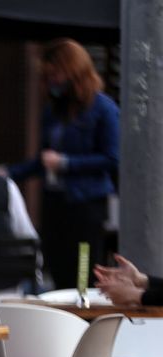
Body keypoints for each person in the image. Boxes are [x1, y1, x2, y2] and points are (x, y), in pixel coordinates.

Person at [9, 38, 119, 289]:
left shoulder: (103, 109)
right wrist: (9, 173)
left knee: (82, 274)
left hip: (85, 206)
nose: (51, 83)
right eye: (47, 77)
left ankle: (85, 319)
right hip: (55, 204)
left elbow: (111, 159)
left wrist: (66, 163)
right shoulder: (53, 111)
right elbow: (43, 160)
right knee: (57, 270)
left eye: (54, 75)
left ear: (72, 71)